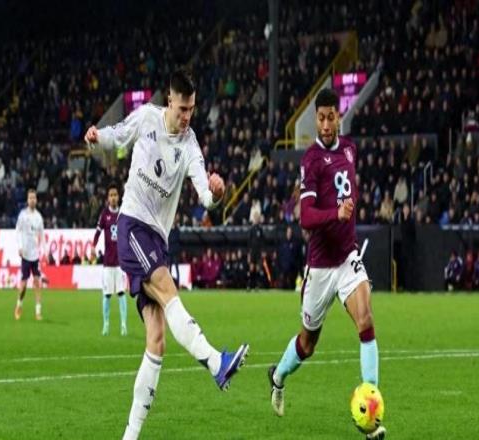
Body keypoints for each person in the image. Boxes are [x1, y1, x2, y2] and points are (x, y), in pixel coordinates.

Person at [85, 67, 249, 440]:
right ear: (170, 100)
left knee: (156, 342)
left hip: (157, 238)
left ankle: (129, 436)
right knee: (168, 289)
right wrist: (96, 137)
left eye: (192, 109)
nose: (187, 116)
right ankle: (215, 362)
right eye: (182, 108)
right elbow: (116, 135)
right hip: (132, 225)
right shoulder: (147, 117)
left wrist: (216, 192)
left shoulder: (190, 145)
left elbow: (204, 195)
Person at [267, 89, 386, 439]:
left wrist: (347, 214)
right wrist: (337, 213)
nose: (326, 124)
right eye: (320, 118)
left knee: (366, 319)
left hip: (347, 256)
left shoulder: (350, 149)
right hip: (320, 266)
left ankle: (371, 413)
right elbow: (305, 217)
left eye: (331, 117)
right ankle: (278, 376)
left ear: (339, 116)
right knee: (307, 344)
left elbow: (348, 190)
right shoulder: (312, 160)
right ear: (316, 120)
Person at [92, 184, 128, 336]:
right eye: (111, 195)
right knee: (106, 294)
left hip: (120, 263)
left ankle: (123, 325)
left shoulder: (123, 214)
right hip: (108, 262)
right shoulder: (104, 214)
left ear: (118, 197)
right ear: (108, 198)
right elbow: (98, 232)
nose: (113, 198)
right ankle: (106, 324)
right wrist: (93, 246)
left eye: (115, 195)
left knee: (121, 293)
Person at [14, 189, 45, 321]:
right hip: (26, 254)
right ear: (27, 200)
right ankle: (19, 305)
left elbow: (42, 235)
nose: (32, 200)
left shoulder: (39, 217)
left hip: (35, 255)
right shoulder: (23, 215)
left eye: (34, 198)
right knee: (24, 284)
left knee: (37, 283)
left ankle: (38, 311)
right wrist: (20, 247)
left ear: (36, 200)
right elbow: (17, 231)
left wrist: (44, 251)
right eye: (30, 198)